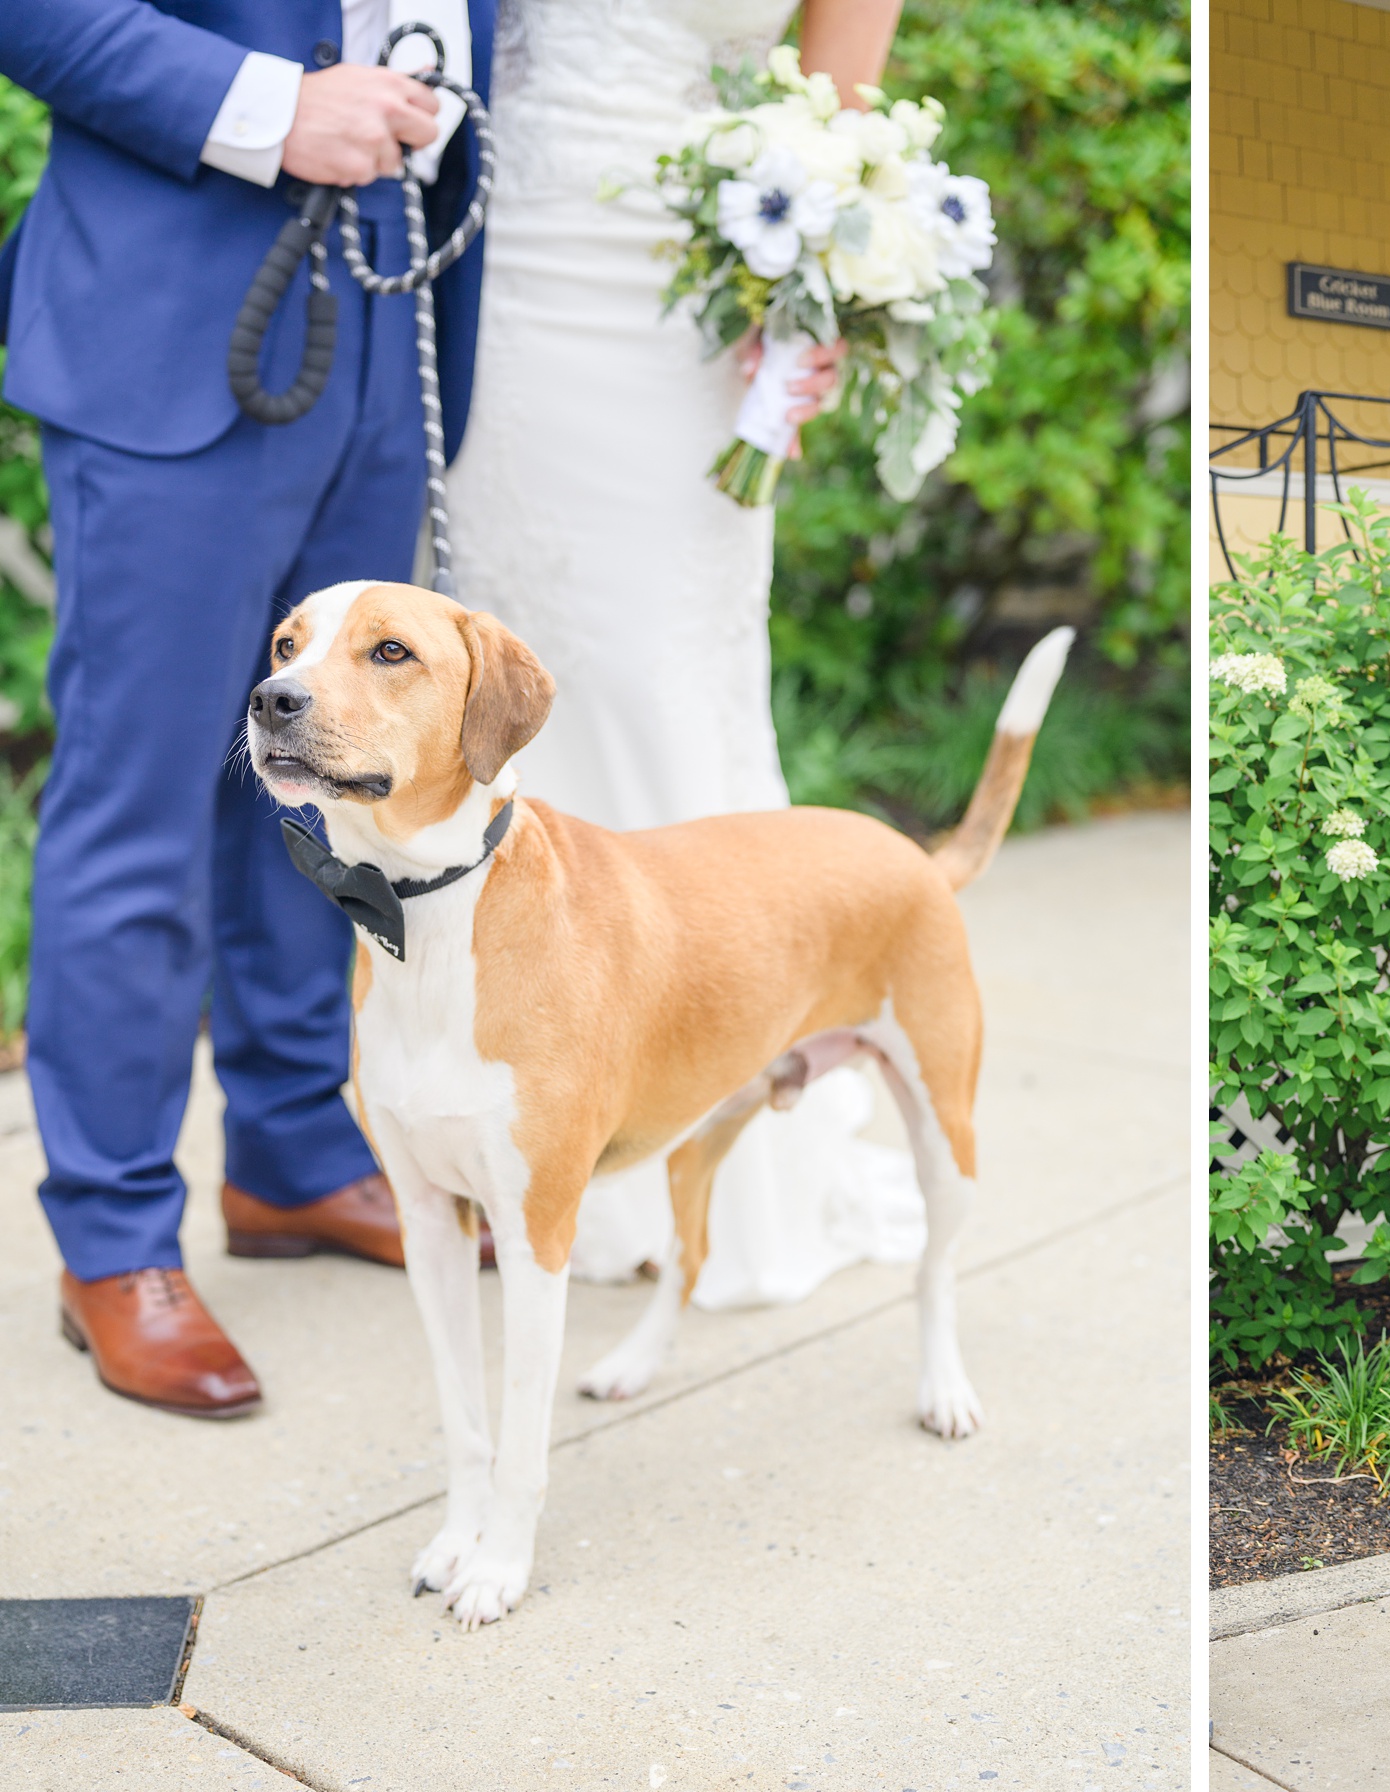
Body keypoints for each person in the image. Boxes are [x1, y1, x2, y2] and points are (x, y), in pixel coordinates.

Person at [0, 0, 494, 1418]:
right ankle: (112, 1241)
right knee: (138, 802)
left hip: (391, 309)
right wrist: (270, 109)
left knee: (329, 784)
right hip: (178, 309)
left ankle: (289, 1147)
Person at [442, 0, 921, 1316]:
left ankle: (701, 1155)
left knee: (670, 688)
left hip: (690, 310)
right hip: (506, 272)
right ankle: (521, 1128)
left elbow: (841, 118)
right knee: (517, 703)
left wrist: (812, 306)